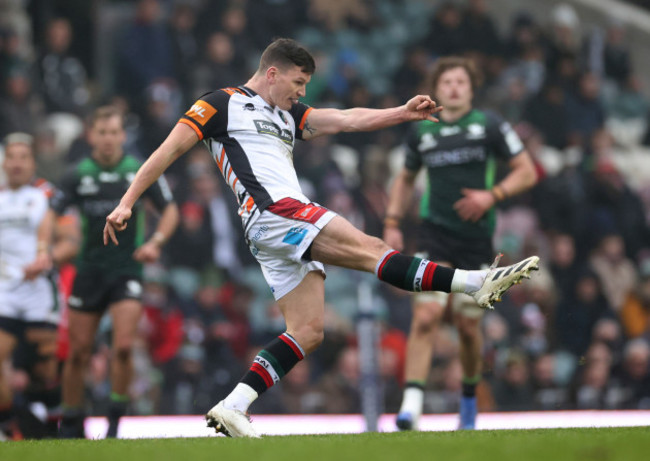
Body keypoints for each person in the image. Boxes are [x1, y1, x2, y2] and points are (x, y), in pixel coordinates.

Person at [103, 38, 539, 438]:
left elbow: (346, 119)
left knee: (309, 331)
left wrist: (402, 113)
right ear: (272, 73)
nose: (302, 93)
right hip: (275, 212)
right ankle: (473, 283)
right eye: (298, 82)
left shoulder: (289, 113)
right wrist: (127, 202)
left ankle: (234, 406)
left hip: (274, 224)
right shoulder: (220, 104)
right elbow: (166, 151)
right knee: (372, 250)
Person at [384, 56, 537, 431]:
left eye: (460, 82)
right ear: (436, 89)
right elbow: (405, 178)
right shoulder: (421, 131)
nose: (453, 87)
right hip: (433, 235)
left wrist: (492, 195)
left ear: (471, 89)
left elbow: (527, 171)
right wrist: (391, 221)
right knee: (426, 316)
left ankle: (469, 399)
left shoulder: (489, 125)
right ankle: (412, 405)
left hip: (476, 241)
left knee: (469, 329)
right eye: (447, 82)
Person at [51, 106, 179, 438]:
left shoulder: (139, 171)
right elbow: (50, 213)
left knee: (123, 347)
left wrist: (156, 242)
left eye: (114, 132)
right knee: (78, 353)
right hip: (88, 270)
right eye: (102, 132)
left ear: (123, 136)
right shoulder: (77, 174)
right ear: (91, 135)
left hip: (127, 271)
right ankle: (72, 423)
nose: (108, 139)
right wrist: (47, 246)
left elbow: (170, 211)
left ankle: (113, 424)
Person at [0, 133, 60, 439]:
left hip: (38, 291)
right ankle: (8, 429)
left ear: (32, 162)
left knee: (44, 368)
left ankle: (53, 427)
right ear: (4, 162)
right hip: (6, 292)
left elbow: (56, 229)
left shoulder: (42, 193)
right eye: (12, 157)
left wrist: (43, 254)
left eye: (24, 157)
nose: (17, 163)